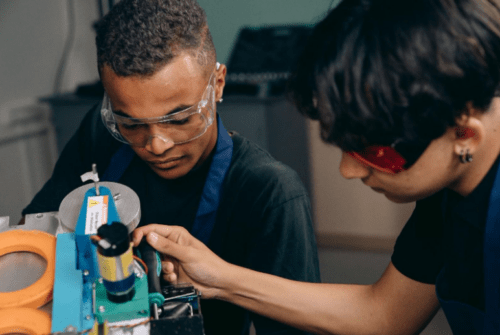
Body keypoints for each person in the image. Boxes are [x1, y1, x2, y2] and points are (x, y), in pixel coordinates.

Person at [132, 0, 500, 333]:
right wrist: (218, 278)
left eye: (372, 151)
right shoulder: (449, 192)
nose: (348, 171)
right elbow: (385, 315)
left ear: (465, 135)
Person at [21, 0, 320, 334]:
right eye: (132, 124)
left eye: (179, 119)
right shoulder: (101, 133)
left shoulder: (270, 193)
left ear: (218, 84)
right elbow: (35, 233)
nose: (156, 145)